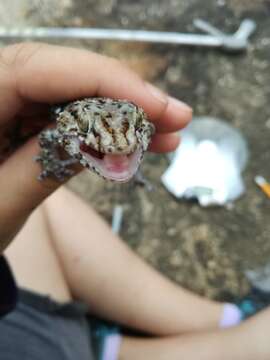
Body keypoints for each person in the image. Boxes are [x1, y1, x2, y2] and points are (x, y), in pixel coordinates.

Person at [0, 42, 270, 360]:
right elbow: (50, 139)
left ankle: (221, 320)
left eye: (134, 135)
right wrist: (53, 163)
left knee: (47, 206)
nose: (118, 148)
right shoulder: (57, 132)